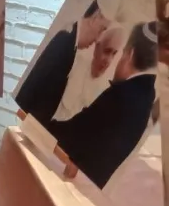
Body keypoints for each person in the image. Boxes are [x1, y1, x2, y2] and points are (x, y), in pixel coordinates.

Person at [45, 21, 159, 189]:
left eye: (118, 53)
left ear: (130, 53)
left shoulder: (122, 95)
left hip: (70, 182)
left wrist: (40, 122)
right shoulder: (146, 97)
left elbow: (73, 134)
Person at [15, 0, 110, 123]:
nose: (98, 39)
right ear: (95, 18)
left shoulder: (71, 45)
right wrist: (17, 116)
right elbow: (35, 81)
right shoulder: (65, 39)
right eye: (101, 29)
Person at [53, 23, 127, 121]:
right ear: (97, 48)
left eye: (114, 54)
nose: (108, 60)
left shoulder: (105, 90)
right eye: (107, 51)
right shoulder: (75, 62)